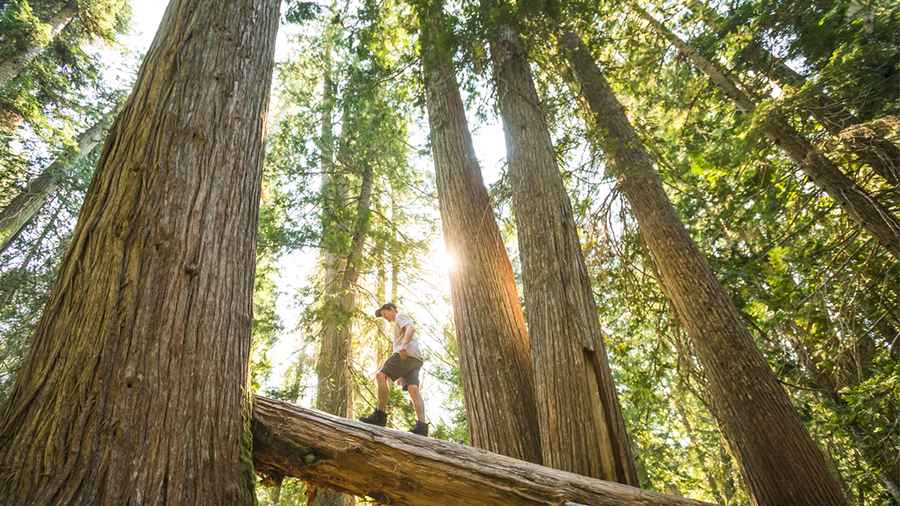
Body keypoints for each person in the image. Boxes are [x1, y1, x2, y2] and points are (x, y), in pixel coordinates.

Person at [359, 302, 428, 436]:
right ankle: (422, 426)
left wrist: (403, 345)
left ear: (391, 309)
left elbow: (411, 328)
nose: (384, 317)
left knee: (381, 376)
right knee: (412, 389)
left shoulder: (399, 316)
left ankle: (380, 415)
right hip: (415, 359)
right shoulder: (397, 323)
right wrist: (402, 374)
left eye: (384, 314)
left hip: (404, 354)